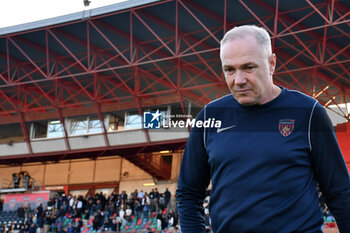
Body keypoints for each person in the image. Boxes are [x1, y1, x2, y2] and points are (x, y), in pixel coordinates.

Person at [176, 25, 350, 233]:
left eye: (248, 67)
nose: (238, 80)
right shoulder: (210, 117)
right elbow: (188, 193)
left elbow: (339, 191)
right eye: (229, 70)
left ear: (271, 63)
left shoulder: (308, 112)